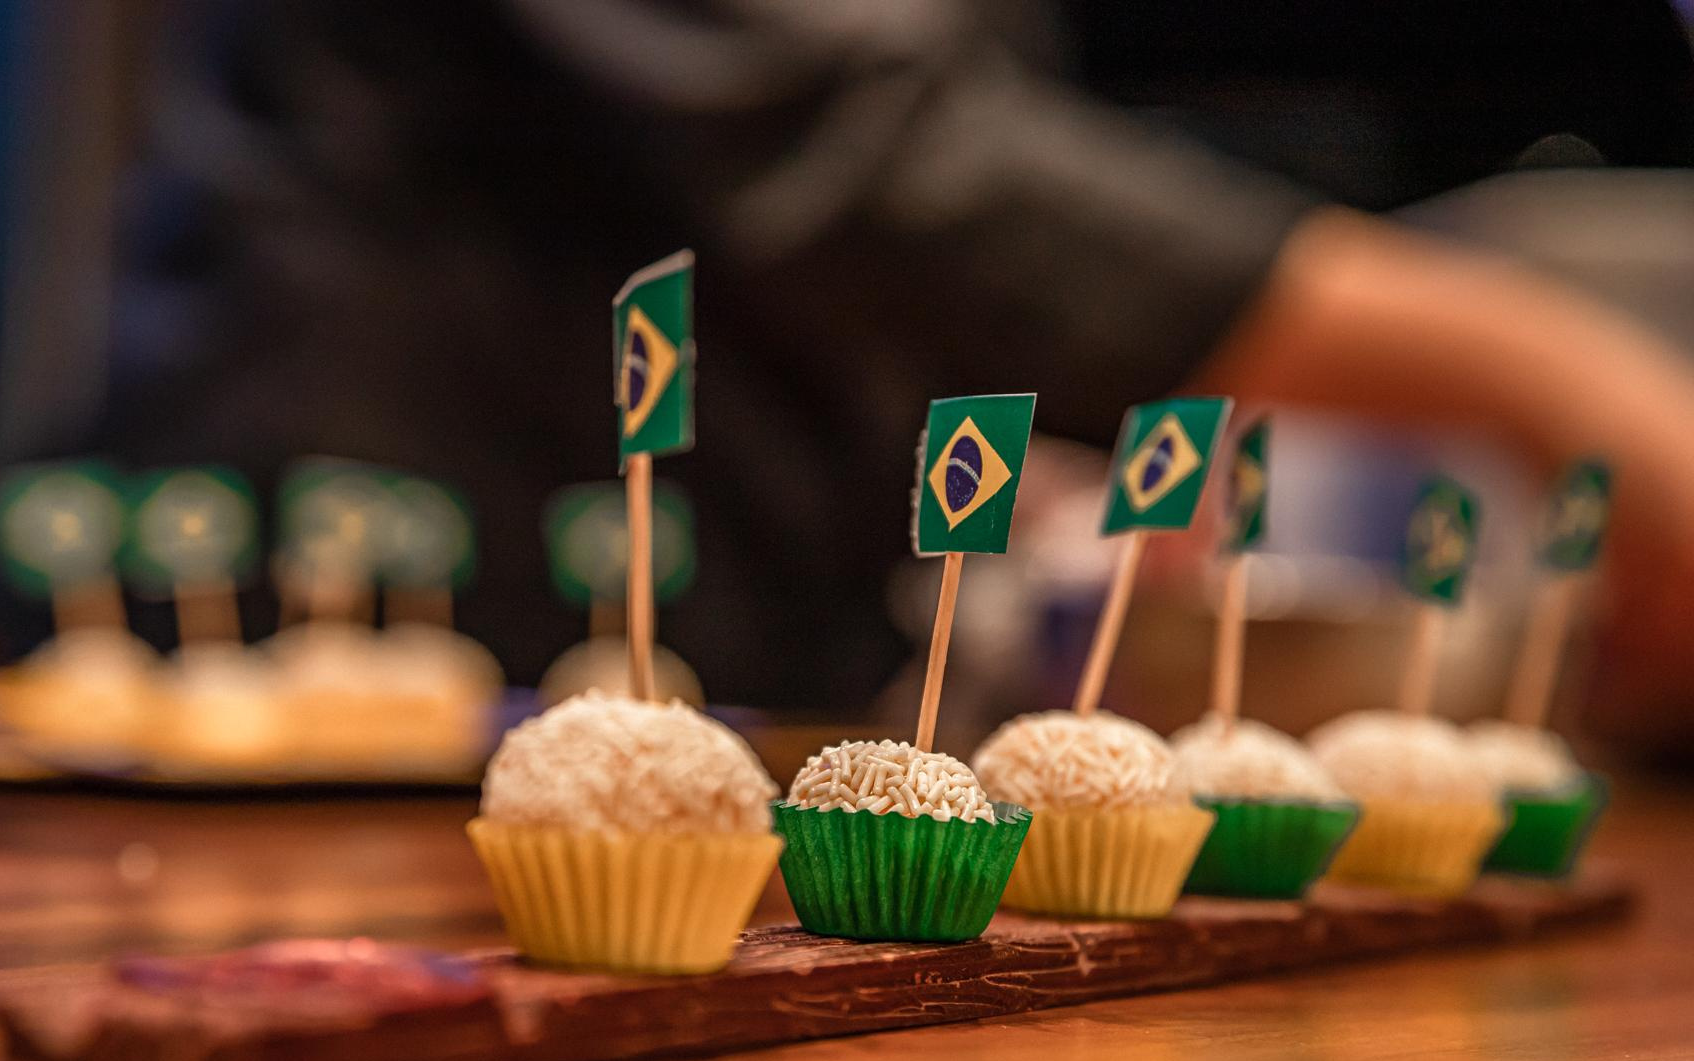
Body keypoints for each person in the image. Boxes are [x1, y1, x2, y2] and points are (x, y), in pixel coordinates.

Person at [83, 0, 1694, 727]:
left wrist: (1017, 464)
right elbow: (868, 156)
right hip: (351, 658)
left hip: (753, 667)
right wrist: (1545, 375)